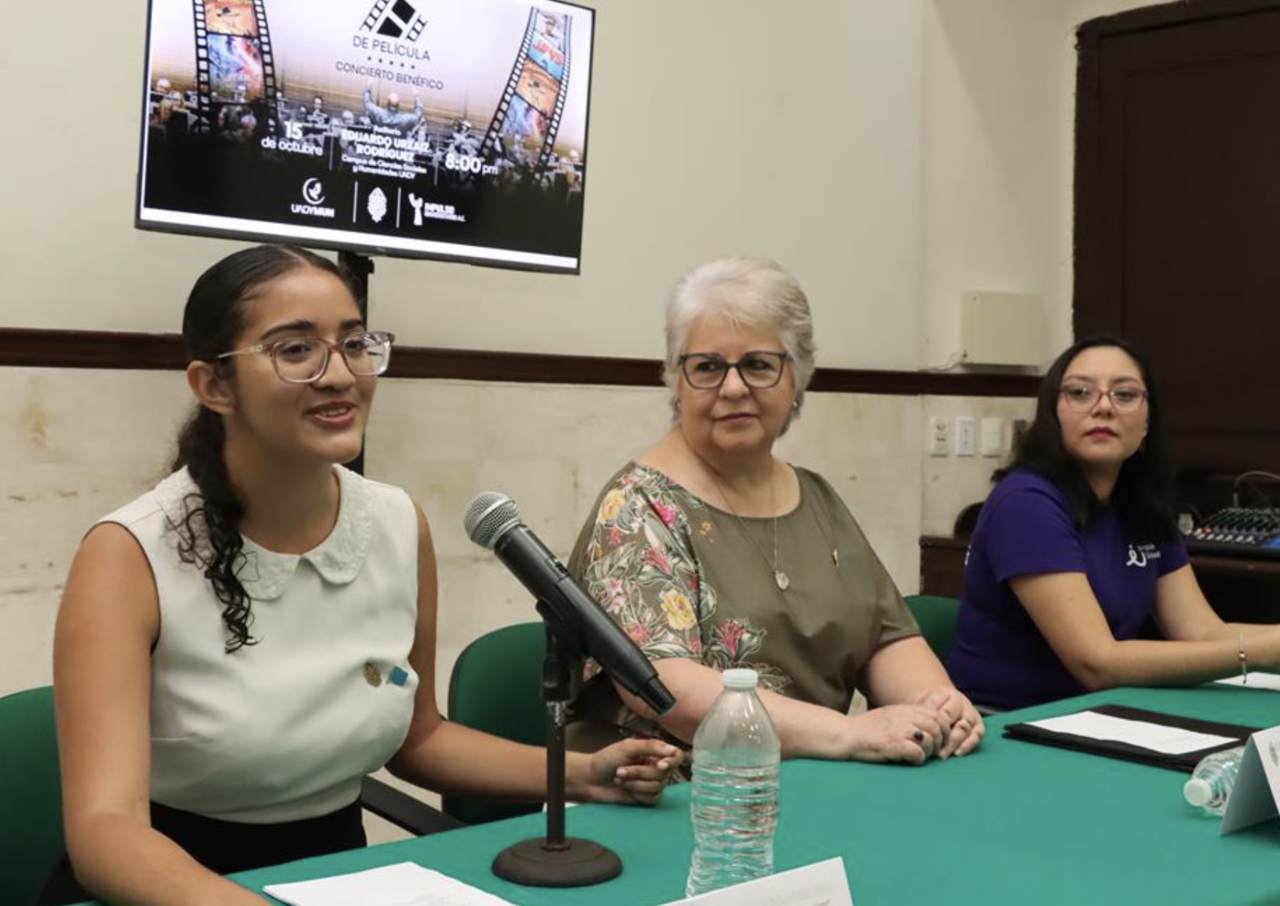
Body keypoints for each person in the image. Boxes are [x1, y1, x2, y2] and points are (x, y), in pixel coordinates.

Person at [47, 245, 680, 906]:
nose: (340, 374)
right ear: (213, 386)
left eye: (354, 343)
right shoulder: (128, 553)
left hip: (343, 879)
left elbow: (419, 738)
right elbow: (105, 830)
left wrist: (584, 775)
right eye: (296, 350)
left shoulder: (397, 524)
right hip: (172, 885)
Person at [568, 258, 984, 768]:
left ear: (797, 379)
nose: (735, 388)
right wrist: (849, 733)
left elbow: (883, 637)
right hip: (685, 800)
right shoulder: (636, 507)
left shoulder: (816, 495)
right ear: (676, 380)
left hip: (817, 783)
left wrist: (935, 705)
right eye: (708, 367)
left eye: (760, 365)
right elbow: (664, 689)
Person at [946, 337, 1280, 711]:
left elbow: (1202, 632)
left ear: (1148, 420)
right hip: (1004, 724)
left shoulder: (1142, 505)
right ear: (1052, 414)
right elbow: (1097, 663)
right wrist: (1262, 651)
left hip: (1102, 715)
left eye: (1124, 395)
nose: (1103, 407)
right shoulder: (1026, 502)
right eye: (1080, 392)